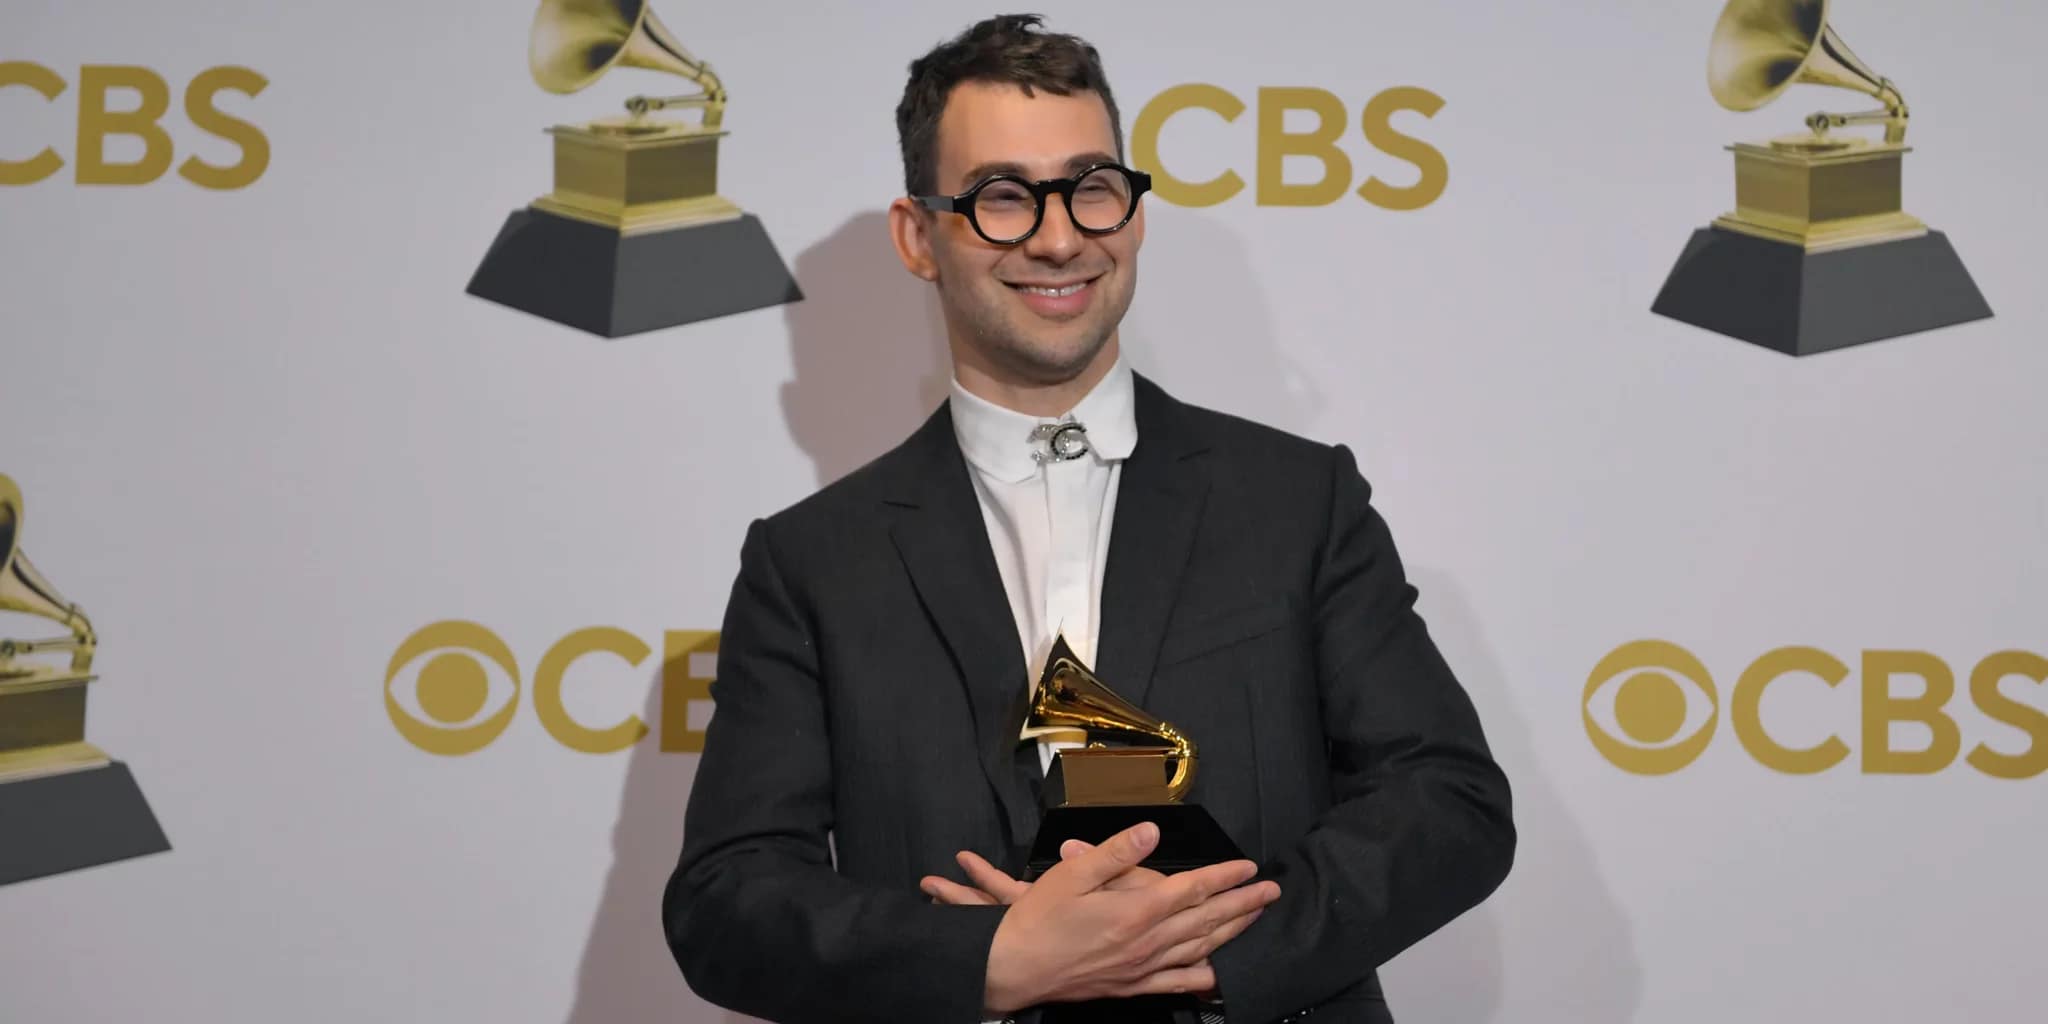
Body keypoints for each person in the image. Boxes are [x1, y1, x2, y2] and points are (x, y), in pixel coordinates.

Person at [663, 13, 1515, 1024]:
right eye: (1003, 198)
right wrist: (993, 959)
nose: (1060, 235)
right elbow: (727, 901)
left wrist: (1198, 948)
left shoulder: (1296, 500)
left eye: (1091, 188)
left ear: (1133, 211)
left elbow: (1447, 800)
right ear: (917, 235)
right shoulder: (809, 560)